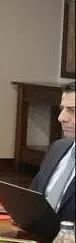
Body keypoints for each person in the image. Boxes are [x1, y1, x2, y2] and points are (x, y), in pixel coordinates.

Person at [29, 81, 74, 221]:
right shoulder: (57, 149)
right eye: (63, 109)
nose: (61, 118)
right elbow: (32, 197)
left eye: (73, 110)